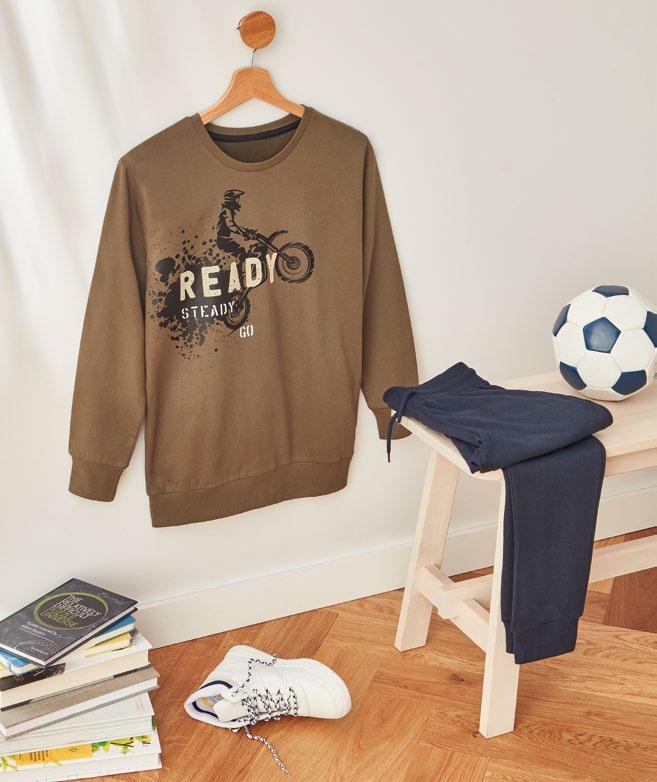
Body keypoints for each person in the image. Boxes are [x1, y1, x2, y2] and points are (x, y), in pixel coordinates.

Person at [216, 189, 257, 260]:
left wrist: (247, 231)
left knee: (242, 252)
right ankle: (239, 267)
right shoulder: (226, 210)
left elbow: (235, 225)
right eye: (236, 198)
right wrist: (245, 233)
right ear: (231, 199)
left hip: (223, 239)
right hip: (223, 240)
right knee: (241, 252)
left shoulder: (227, 210)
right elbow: (231, 226)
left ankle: (240, 266)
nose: (238, 201)